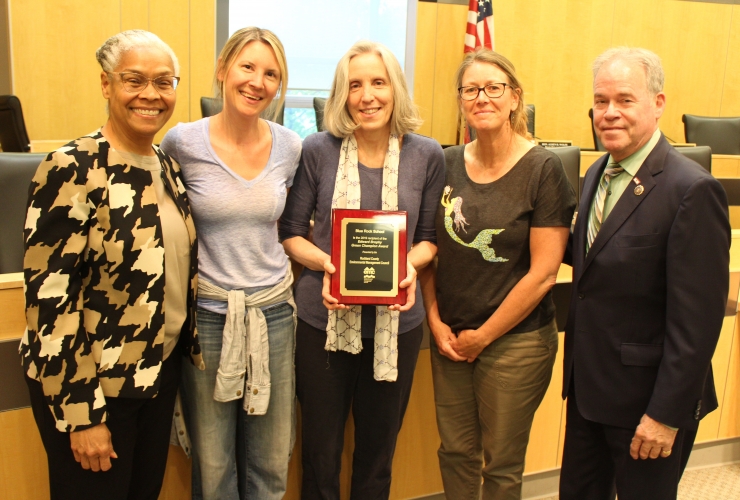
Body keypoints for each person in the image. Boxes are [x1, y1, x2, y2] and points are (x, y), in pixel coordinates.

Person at [20, 30, 200, 500]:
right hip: (94, 387)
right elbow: (50, 301)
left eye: (164, 82)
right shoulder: (71, 167)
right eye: (133, 80)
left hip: (154, 376)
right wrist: (82, 414)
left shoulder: (166, 166)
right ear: (106, 84)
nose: (150, 94)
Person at [559, 47, 731, 500]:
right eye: (600, 101)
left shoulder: (692, 190)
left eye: (624, 99)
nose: (609, 113)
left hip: (647, 408)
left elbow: (696, 324)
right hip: (588, 393)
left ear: (658, 104)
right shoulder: (597, 171)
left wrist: (665, 415)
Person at [279, 40, 445, 499]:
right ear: (342, 94)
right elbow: (291, 233)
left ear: (396, 88)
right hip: (322, 324)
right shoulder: (318, 149)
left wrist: (405, 269)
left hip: (398, 323)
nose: (367, 95)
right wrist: (330, 266)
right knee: (320, 452)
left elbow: (429, 238)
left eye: (378, 81)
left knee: (377, 453)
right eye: (355, 85)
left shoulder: (427, 155)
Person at [420, 48, 576, 499]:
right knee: (454, 452)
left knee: (501, 465)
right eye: (471, 89)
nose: (482, 97)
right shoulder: (443, 162)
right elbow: (428, 251)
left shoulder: (543, 169)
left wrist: (483, 336)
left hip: (516, 342)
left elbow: (544, 273)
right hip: (449, 336)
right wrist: (435, 322)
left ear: (514, 99)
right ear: (460, 100)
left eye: (493, 88)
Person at [159, 27, 300, 500]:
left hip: (274, 313)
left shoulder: (290, 146)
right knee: (214, 463)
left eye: (270, 73)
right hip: (209, 318)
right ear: (223, 71)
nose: (257, 82)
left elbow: (293, 225)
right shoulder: (181, 142)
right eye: (247, 67)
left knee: (271, 458)